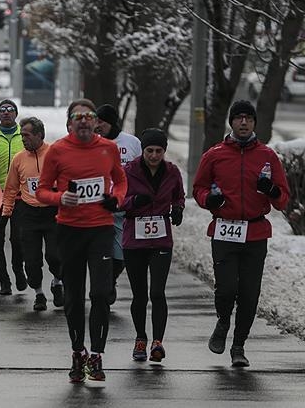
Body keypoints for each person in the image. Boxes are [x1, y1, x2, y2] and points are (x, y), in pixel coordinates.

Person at [36, 99, 127, 383]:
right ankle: (78, 351)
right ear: (70, 122)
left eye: (89, 116)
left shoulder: (108, 148)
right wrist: (58, 198)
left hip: (100, 229)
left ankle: (96, 356)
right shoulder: (58, 151)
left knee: (101, 293)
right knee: (74, 298)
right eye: (79, 117)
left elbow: (121, 182)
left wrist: (117, 199)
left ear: (96, 122)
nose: (84, 121)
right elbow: (41, 190)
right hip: (70, 231)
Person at [193, 100, 290, 368]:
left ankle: (239, 346)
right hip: (224, 230)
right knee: (226, 288)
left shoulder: (268, 156)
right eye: (239, 118)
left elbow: (283, 200)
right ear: (231, 122)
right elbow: (198, 189)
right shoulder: (214, 155)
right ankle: (223, 320)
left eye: (248, 118)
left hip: (256, 232)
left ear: (255, 123)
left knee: (249, 293)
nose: (244, 123)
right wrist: (209, 200)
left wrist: (270, 190)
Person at [120, 128, 185, 363]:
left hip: (161, 239)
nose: (154, 155)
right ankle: (140, 338)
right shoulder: (128, 171)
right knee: (140, 295)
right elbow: (117, 199)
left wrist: (177, 209)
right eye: (150, 151)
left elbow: (179, 195)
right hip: (134, 240)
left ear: (164, 151)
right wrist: (134, 201)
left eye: (159, 151)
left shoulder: (172, 172)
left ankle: (158, 342)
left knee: (157, 292)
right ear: (143, 150)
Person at [0, 117, 63, 311]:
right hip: (28, 214)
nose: (23, 139)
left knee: (55, 256)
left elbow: (65, 181)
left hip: (52, 213)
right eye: (21, 135)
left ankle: (57, 282)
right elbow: (10, 188)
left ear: (39, 135)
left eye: (26, 135)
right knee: (32, 260)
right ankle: (39, 295)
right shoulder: (18, 159)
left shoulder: (54, 154)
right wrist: (6, 212)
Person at [95, 104, 142, 305]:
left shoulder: (131, 142)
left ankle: (111, 279)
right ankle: (102, 286)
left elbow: (141, 170)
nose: (97, 125)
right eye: (96, 121)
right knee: (99, 251)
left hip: (124, 205)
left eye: (102, 122)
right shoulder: (93, 142)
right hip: (98, 206)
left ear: (112, 123)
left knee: (120, 254)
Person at [0, 100, 26, 295]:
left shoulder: (24, 136)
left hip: (20, 196)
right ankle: (4, 281)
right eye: (2, 110)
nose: (6, 113)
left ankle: (18, 270)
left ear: (16, 113)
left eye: (10, 110)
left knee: (18, 239)